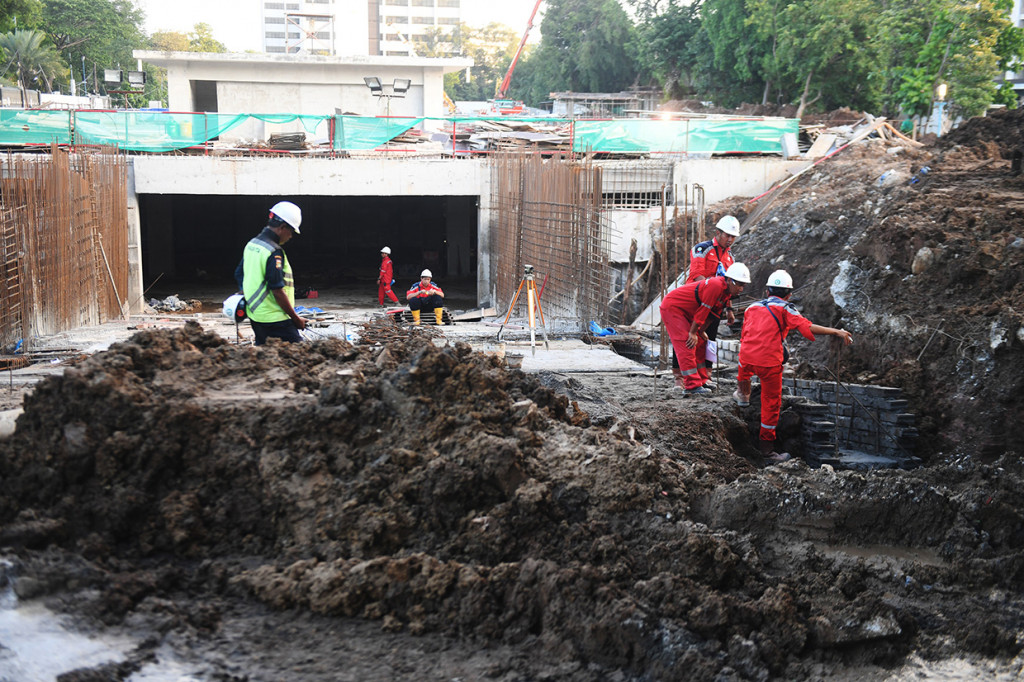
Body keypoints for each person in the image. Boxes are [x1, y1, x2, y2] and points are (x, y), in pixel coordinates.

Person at [734, 270, 854, 462]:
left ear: (767, 291)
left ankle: (742, 395)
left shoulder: (751, 308)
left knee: (744, 372)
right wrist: (836, 331)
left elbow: (746, 333)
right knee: (771, 405)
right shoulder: (786, 308)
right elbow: (807, 327)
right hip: (769, 363)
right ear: (788, 294)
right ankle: (767, 450)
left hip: (746, 357)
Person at [660, 262, 751, 395]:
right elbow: (703, 310)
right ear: (730, 281)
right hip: (673, 308)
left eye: (744, 285)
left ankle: (702, 379)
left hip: (686, 311)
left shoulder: (726, 293)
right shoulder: (715, 286)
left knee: (701, 342)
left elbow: (712, 315)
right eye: (740, 285)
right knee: (687, 342)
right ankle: (692, 385)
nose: (742, 289)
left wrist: (701, 331)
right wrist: (692, 332)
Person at [674, 215, 741, 388]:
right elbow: (698, 275)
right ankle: (679, 377)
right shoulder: (702, 249)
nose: (730, 239)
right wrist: (709, 293)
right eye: (728, 235)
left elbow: (729, 285)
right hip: (696, 300)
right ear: (718, 233)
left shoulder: (730, 258)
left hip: (716, 304)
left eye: (733, 236)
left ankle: (706, 375)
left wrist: (729, 309)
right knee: (685, 335)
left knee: (709, 338)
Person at [235, 201, 306, 345]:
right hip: (276, 320)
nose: (290, 236)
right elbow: (277, 290)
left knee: (267, 358)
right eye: (291, 232)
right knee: (300, 358)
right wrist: (296, 319)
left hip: (256, 316)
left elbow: (239, 274)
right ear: (282, 227)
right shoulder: (274, 251)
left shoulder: (252, 244)